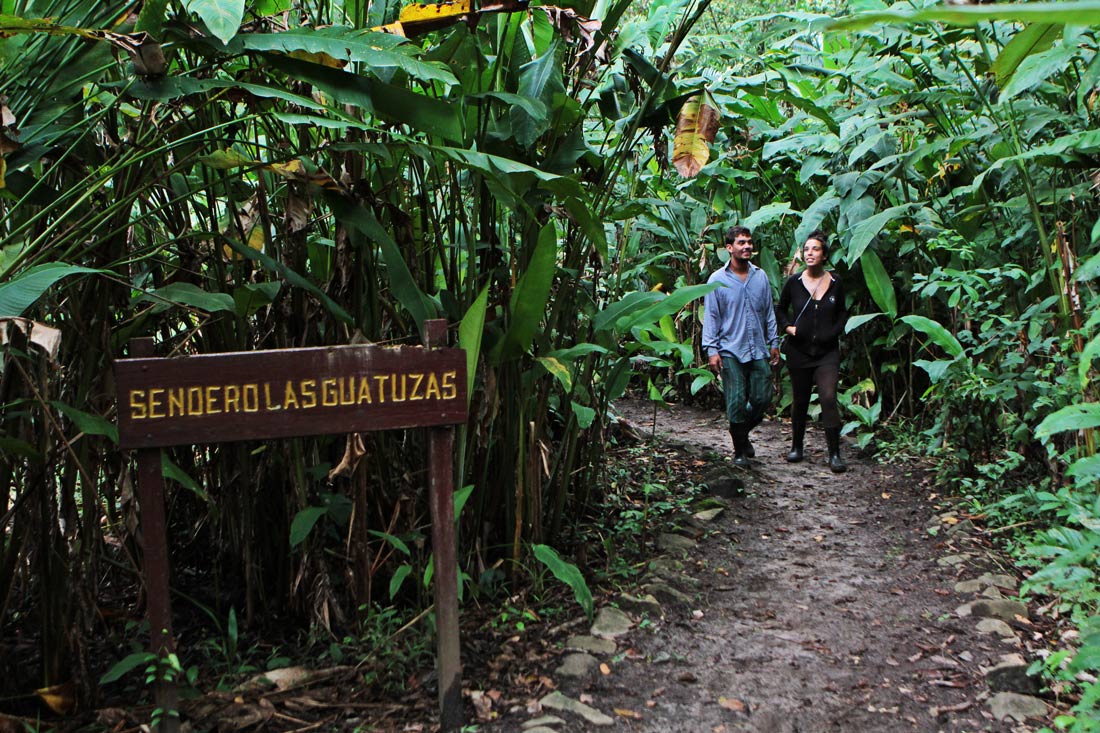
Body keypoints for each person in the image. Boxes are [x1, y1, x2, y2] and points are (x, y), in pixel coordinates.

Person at [702, 225, 780, 468]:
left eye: (749, 242)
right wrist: (711, 350)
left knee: (762, 397)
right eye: (741, 243)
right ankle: (739, 451)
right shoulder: (717, 280)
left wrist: (774, 342)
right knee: (735, 401)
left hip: (757, 347)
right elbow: (712, 317)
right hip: (730, 348)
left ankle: (741, 434)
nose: (747, 246)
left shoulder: (761, 276)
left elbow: (769, 312)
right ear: (729, 248)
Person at [775, 230, 848, 472]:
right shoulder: (794, 282)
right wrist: (788, 328)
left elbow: (842, 315)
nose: (810, 253)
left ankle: (834, 454)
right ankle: (797, 447)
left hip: (827, 353)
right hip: (799, 351)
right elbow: (780, 308)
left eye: (815, 249)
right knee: (800, 399)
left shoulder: (836, 283)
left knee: (828, 397)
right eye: (807, 249)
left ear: (824, 255)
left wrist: (833, 333)